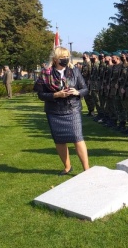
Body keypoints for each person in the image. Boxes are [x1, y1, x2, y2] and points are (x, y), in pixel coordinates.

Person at [33, 47, 89, 175]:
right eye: (63, 57)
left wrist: (77, 92)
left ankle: (87, 169)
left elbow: (85, 88)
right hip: (54, 111)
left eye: (67, 56)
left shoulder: (74, 71)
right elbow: (41, 95)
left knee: (77, 138)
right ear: (55, 59)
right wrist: (56, 95)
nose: (66, 59)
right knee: (59, 140)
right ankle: (67, 167)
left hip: (72, 109)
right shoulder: (46, 73)